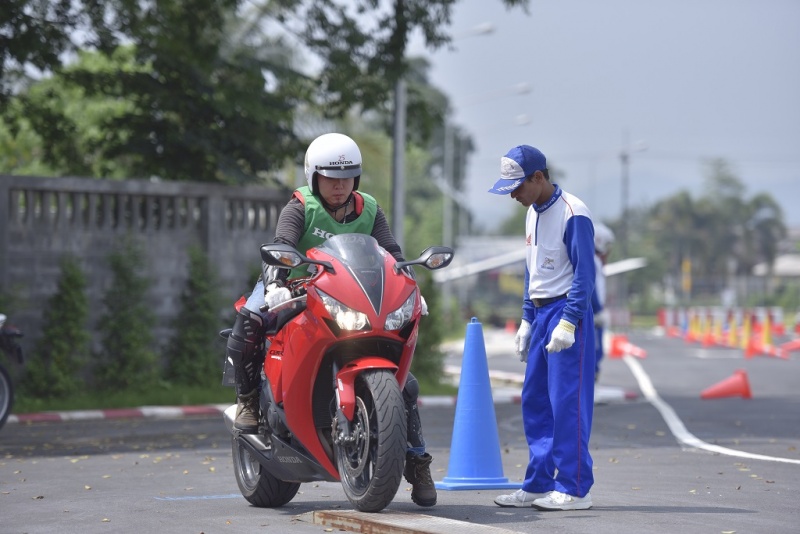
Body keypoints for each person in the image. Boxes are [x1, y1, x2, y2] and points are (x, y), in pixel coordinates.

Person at [224, 132, 437, 507]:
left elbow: (390, 251)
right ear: (314, 177)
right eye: (330, 178)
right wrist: (274, 284)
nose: (339, 186)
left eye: (347, 178)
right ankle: (248, 401)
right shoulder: (300, 206)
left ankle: (418, 462)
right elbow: (283, 244)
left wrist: (412, 287)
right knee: (251, 316)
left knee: (405, 385)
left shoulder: (370, 209)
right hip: (292, 285)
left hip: (350, 295)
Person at [488, 145, 596, 511]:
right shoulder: (532, 213)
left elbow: (585, 274)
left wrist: (569, 321)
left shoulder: (573, 212)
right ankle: (538, 483)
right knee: (536, 401)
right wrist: (526, 319)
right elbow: (531, 271)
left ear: (538, 177)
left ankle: (575, 488)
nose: (513, 196)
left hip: (566, 313)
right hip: (540, 312)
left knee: (567, 403)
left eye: (517, 187)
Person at [591, 223, 615, 382]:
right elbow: (592, 287)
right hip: (594, 314)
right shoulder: (593, 261)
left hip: (596, 312)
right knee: (595, 350)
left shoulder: (596, 262)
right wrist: (598, 310)